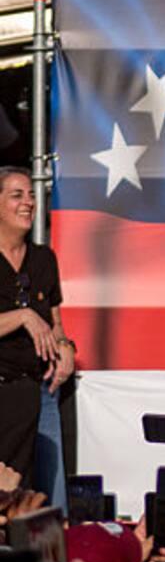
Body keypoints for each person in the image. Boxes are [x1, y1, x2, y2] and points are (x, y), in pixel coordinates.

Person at [0, 167, 76, 480]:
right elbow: (31, 319)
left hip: (38, 391)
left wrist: (65, 346)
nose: (28, 202)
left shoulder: (44, 259)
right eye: (17, 195)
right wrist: (23, 317)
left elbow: (55, 321)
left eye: (32, 194)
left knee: (40, 500)